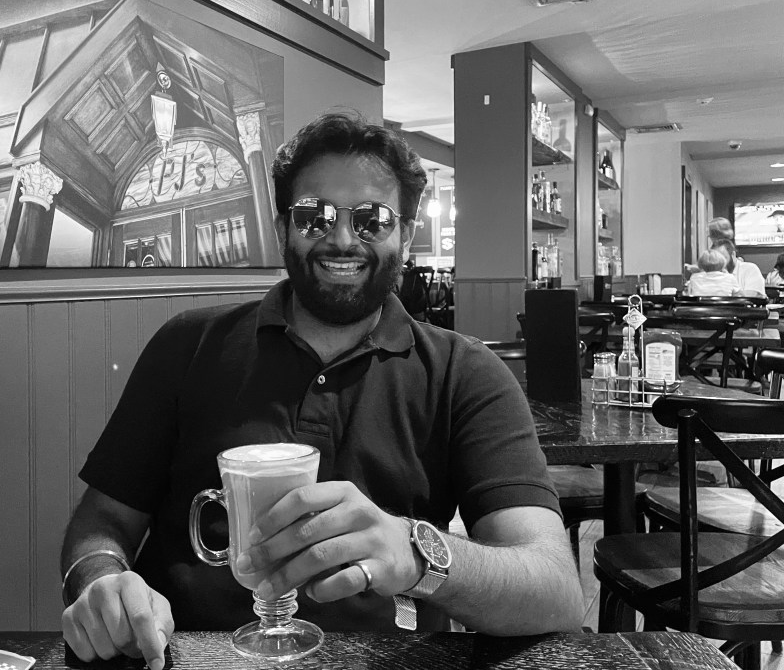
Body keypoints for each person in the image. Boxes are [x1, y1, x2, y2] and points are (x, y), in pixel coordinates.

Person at [59, 112, 583, 669]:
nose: (342, 239)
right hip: (185, 657)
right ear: (283, 227)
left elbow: (555, 590)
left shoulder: (465, 373)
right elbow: (101, 525)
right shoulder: (186, 345)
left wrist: (417, 554)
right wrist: (101, 582)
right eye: (315, 216)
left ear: (406, 235)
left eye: (372, 219)